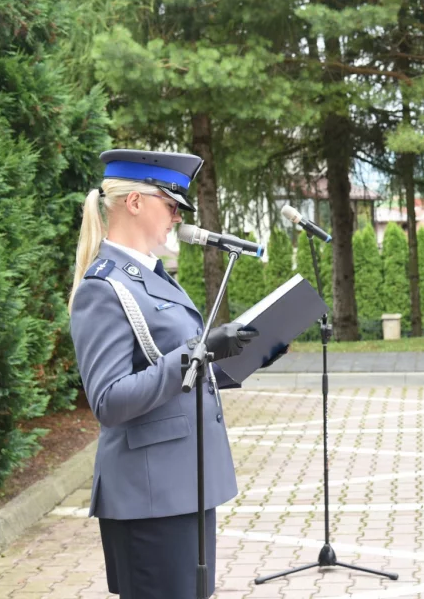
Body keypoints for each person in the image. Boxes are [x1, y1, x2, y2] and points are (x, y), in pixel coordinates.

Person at [68, 149, 264, 598]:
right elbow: (110, 401)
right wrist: (192, 354)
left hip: (183, 484)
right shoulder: (104, 287)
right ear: (134, 202)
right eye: (171, 204)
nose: (177, 216)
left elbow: (181, 369)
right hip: (149, 495)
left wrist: (246, 352)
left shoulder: (151, 275)